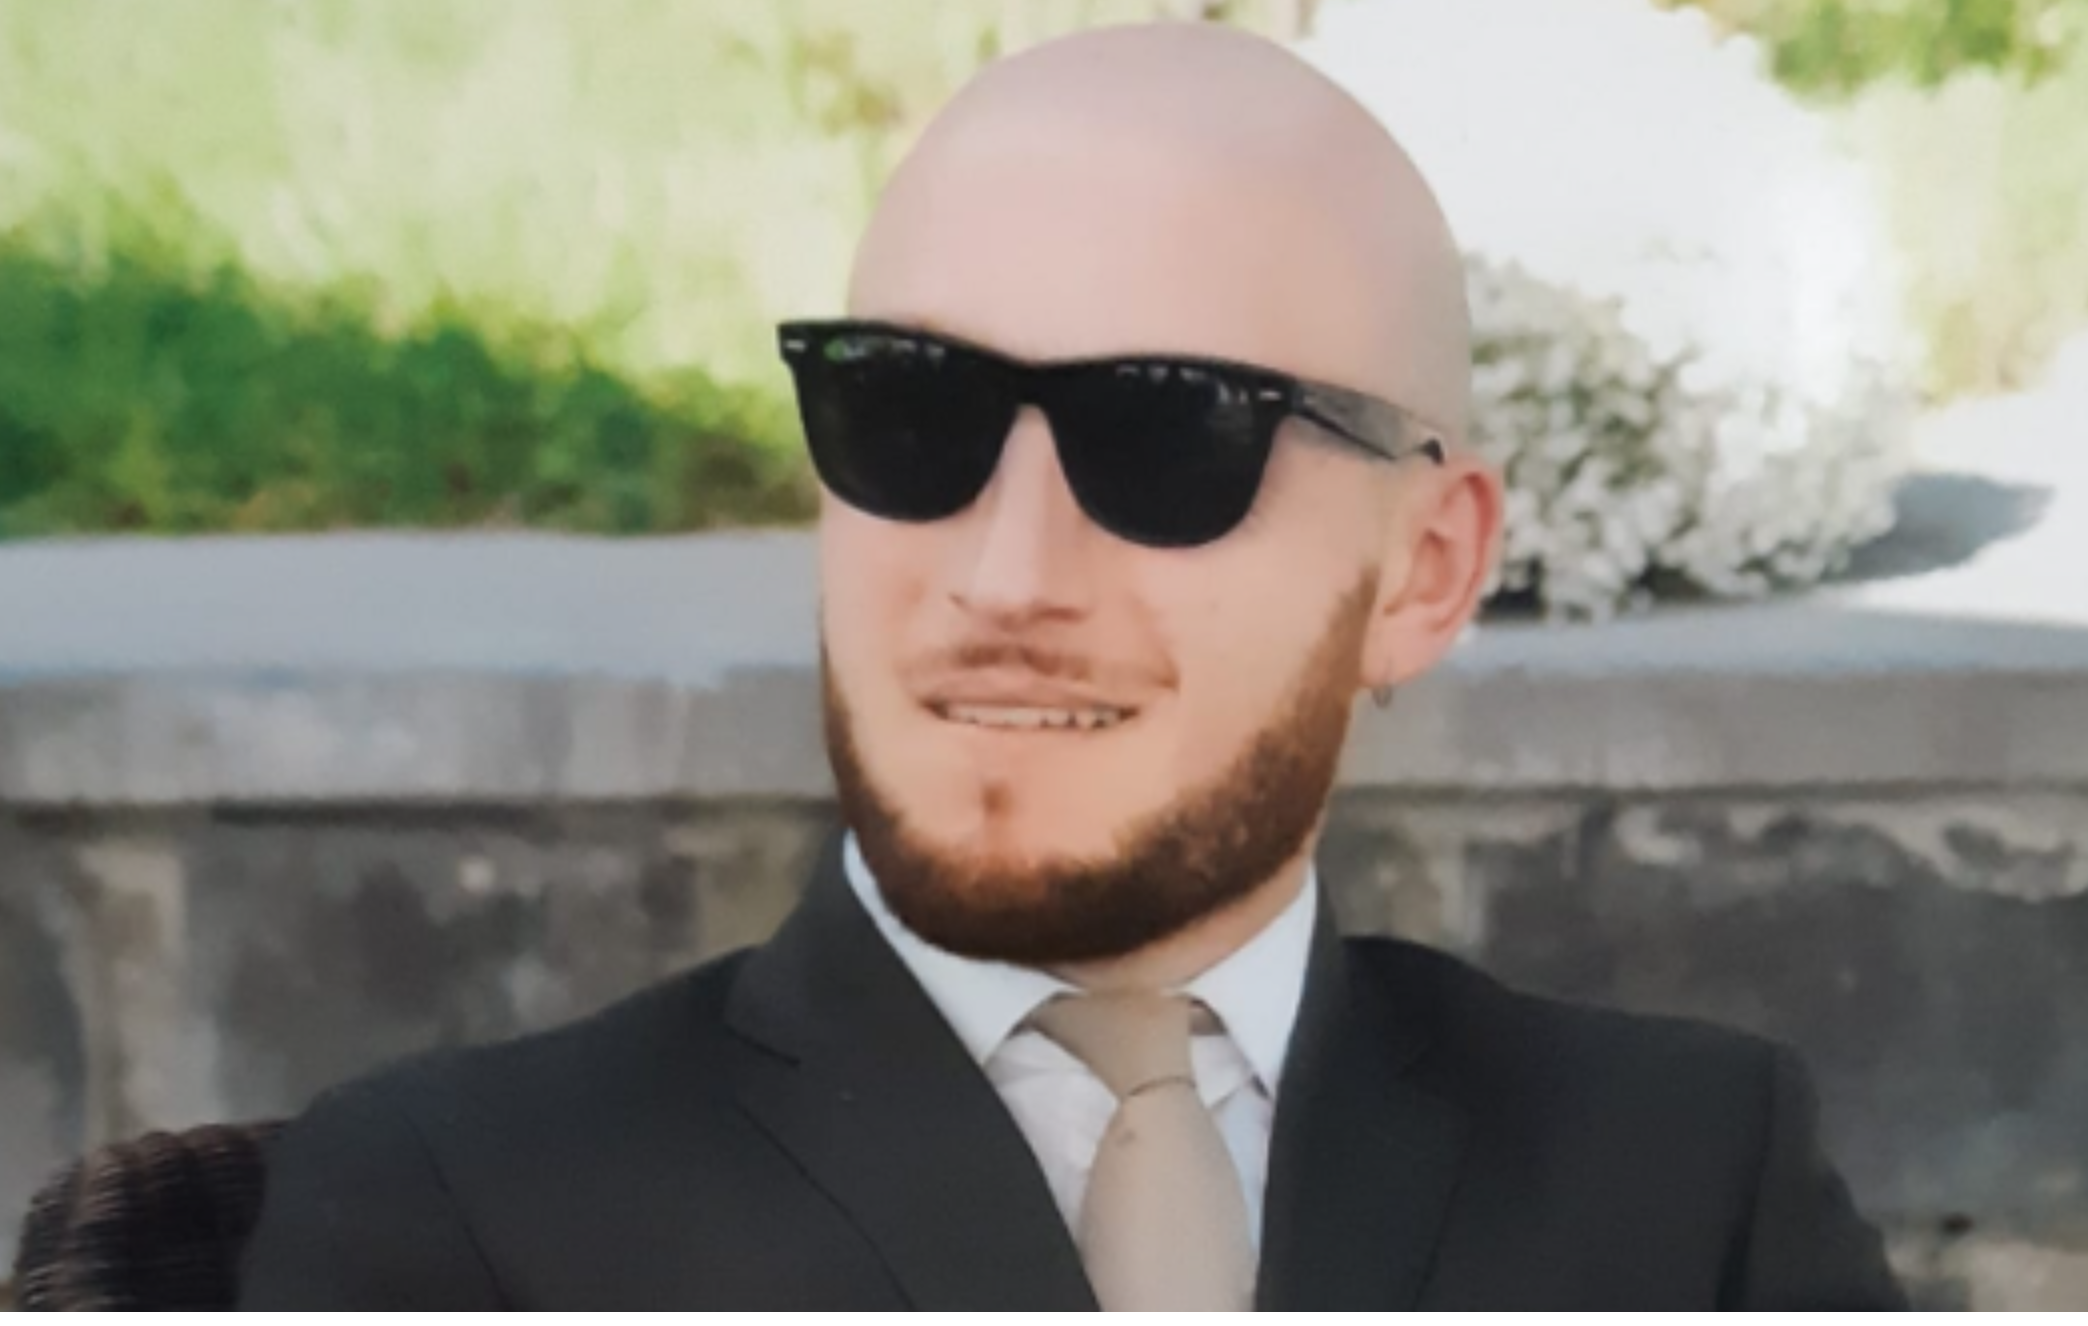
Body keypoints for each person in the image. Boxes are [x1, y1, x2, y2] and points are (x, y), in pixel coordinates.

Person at [238, 23, 1906, 1311]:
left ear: (1427, 569)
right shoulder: (463, 1215)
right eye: (907, 415)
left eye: (1171, 439)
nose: (1006, 573)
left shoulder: (1692, 1186)